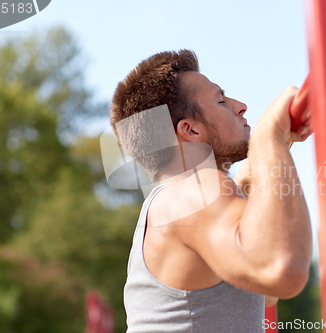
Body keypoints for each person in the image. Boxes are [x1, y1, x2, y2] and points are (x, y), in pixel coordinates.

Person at [110, 49, 313, 333]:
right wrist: (270, 136)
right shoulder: (195, 190)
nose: (240, 106)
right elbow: (280, 269)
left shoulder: (173, 201)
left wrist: (266, 155)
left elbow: (264, 291)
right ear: (190, 131)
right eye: (221, 100)